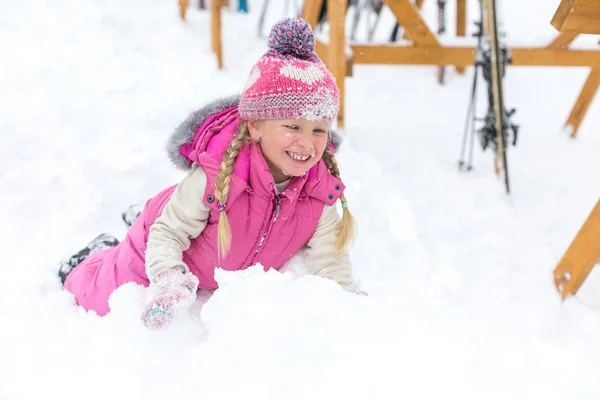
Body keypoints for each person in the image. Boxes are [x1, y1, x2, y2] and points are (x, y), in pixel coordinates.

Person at [60, 17, 362, 330]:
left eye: (318, 130)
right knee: (99, 297)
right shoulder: (217, 177)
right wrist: (168, 279)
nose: (307, 142)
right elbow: (167, 233)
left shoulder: (318, 193)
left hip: (211, 255)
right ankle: (90, 257)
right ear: (255, 125)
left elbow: (330, 262)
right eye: (292, 126)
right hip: (158, 237)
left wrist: (346, 303)